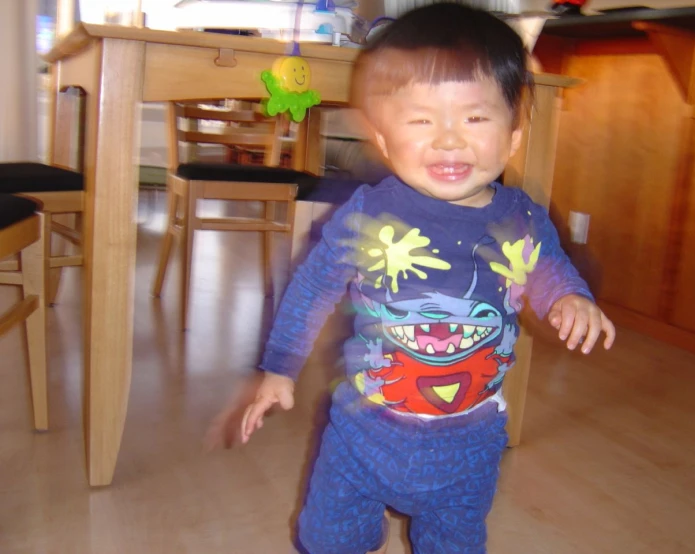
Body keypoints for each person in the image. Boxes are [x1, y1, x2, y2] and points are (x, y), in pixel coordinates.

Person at [212, 3, 616, 553]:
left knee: (453, 542)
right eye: (421, 120)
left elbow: (547, 273)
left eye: (475, 118)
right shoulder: (366, 216)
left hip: (470, 440)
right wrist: (280, 368)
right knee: (329, 537)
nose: (449, 140)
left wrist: (570, 297)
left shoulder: (519, 219)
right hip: (364, 431)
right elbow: (313, 289)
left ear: (514, 135)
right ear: (382, 138)